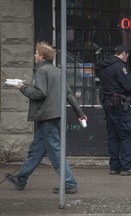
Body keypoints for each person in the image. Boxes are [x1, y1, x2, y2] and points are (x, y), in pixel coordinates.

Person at [4, 41, 87, 194]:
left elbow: (40, 93)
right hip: (55, 116)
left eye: (36, 53)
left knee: (55, 152)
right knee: (36, 151)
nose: (35, 55)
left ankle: (69, 183)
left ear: (41, 56)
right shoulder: (58, 71)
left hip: (47, 117)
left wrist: (22, 87)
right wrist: (79, 113)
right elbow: (69, 94)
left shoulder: (41, 72)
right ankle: (20, 178)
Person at [100, 45, 131, 176]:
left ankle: (114, 166)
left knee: (113, 135)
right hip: (119, 104)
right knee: (127, 134)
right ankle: (126, 167)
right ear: (124, 53)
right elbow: (129, 85)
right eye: (127, 55)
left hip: (108, 102)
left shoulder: (105, 65)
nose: (128, 58)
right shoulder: (120, 66)